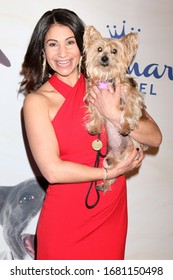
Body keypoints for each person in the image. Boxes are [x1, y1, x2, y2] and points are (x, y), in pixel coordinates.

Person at [19, 8, 162, 260]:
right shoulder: (37, 102)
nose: (62, 53)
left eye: (70, 43)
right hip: (65, 219)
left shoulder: (108, 85)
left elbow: (154, 137)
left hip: (110, 213)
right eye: (53, 44)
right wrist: (110, 172)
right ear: (42, 51)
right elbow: (52, 170)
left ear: (83, 46)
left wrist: (114, 114)